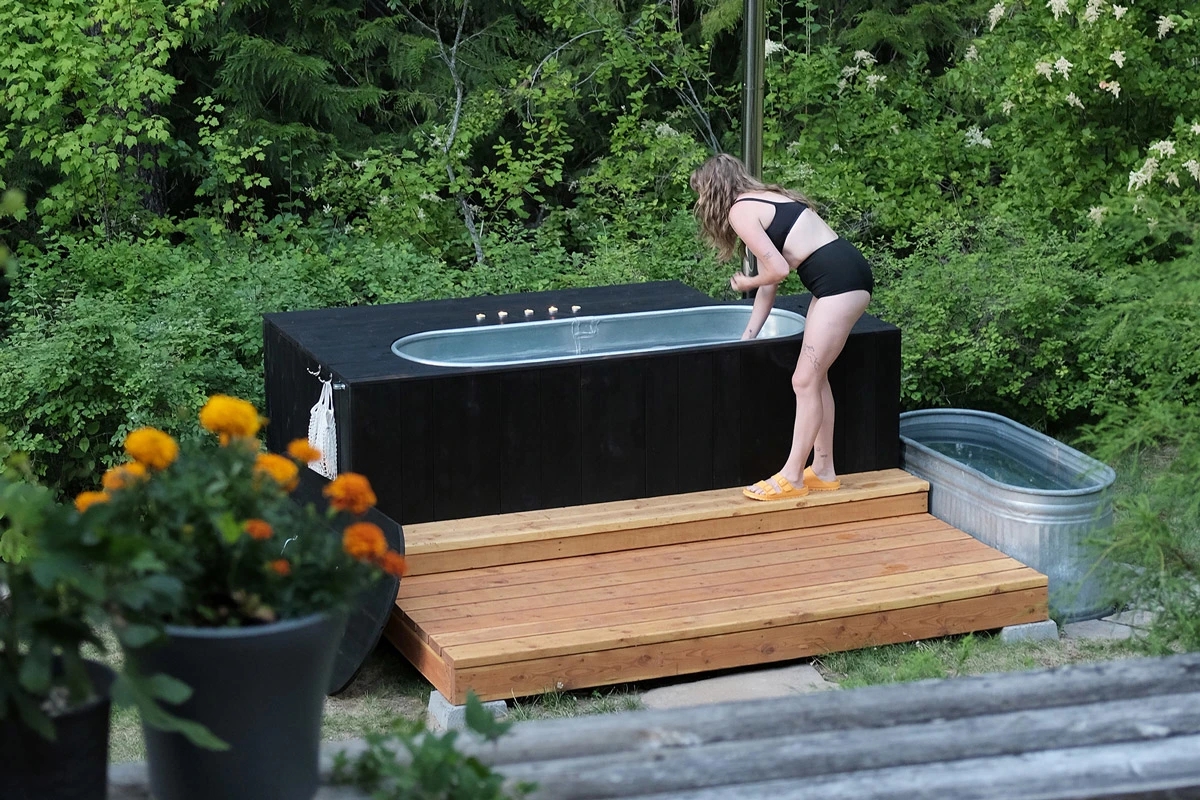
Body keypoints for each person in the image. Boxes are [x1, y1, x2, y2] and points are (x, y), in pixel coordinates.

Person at [690, 153, 874, 501]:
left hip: (840, 284)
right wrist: (748, 336)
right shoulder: (766, 200)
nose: (700, 203)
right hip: (841, 277)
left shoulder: (739, 211)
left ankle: (792, 476)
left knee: (803, 381)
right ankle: (823, 470)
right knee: (816, 379)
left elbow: (777, 271)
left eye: (701, 194)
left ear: (714, 190)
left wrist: (746, 282)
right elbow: (770, 285)